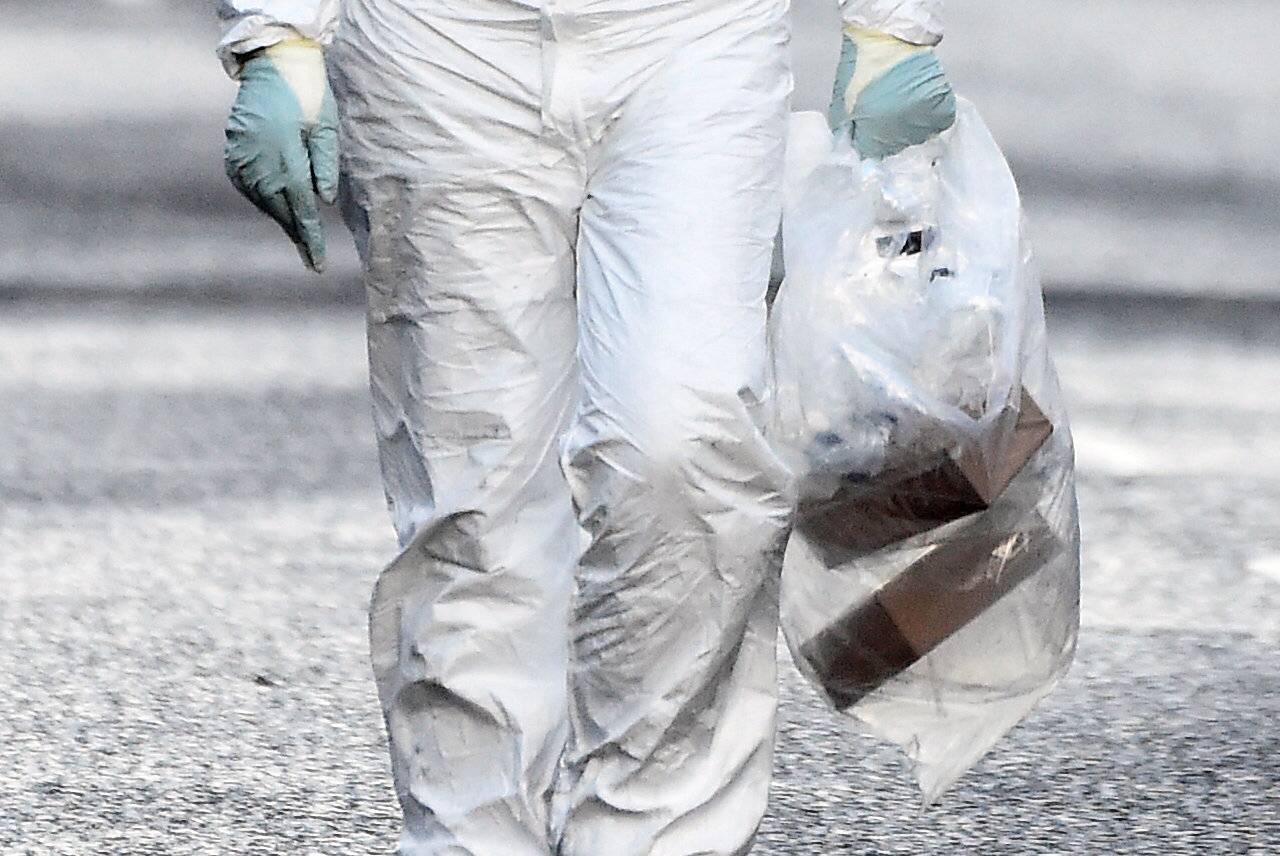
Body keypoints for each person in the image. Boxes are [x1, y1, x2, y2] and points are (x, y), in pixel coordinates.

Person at [218, 0, 954, 852]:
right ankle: (474, 835)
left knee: (687, 442)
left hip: (695, 35)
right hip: (433, 49)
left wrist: (889, 25)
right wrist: (279, 32)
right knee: (476, 497)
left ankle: (660, 832)